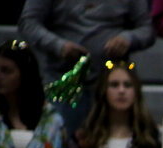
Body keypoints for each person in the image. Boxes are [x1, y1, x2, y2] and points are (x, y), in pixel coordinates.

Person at [17, 0, 155, 132]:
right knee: (60, 147)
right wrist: (58, 46)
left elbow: (147, 29)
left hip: (110, 83)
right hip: (63, 82)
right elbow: (28, 22)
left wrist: (128, 39)